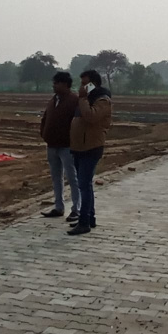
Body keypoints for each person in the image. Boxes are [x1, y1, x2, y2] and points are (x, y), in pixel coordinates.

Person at [67, 70, 112, 236]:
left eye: (85, 84)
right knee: (85, 185)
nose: (82, 87)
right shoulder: (86, 100)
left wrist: (82, 98)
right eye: (81, 83)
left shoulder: (102, 100)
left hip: (91, 147)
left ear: (93, 84)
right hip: (79, 147)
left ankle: (84, 222)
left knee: (84, 185)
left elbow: (91, 117)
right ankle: (89, 217)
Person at [40, 71, 80, 222]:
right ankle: (58, 207)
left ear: (65, 84)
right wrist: (44, 134)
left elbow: (78, 123)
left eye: (56, 83)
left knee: (72, 178)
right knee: (56, 178)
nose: (54, 85)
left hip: (67, 146)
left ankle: (76, 209)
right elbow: (45, 118)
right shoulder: (53, 100)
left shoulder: (74, 101)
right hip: (52, 145)